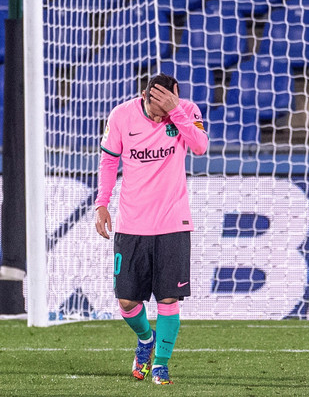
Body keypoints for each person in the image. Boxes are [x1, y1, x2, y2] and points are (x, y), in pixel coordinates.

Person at [94, 73, 208, 386]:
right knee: (127, 302)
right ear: (144, 96)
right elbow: (107, 162)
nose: (159, 110)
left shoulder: (186, 110)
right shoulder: (121, 115)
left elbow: (200, 146)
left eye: (166, 102)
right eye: (155, 103)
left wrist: (176, 111)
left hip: (174, 222)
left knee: (169, 299)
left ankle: (160, 365)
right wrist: (102, 203)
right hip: (132, 224)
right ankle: (146, 339)